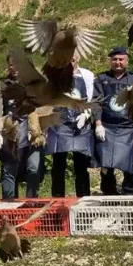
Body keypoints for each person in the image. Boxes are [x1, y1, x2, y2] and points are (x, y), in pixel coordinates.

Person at [93, 47, 133, 195]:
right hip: (107, 126)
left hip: (128, 127)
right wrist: (98, 124)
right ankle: (109, 193)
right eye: (114, 59)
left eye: (121, 59)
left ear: (127, 61)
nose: (118, 62)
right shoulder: (101, 79)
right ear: (110, 61)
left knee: (129, 163)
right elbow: (96, 103)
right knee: (106, 163)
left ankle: (130, 192)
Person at [0, 55, 43, 199]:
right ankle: (9, 204)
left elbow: (42, 106)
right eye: (11, 65)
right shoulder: (3, 84)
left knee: (33, 167)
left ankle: (32, 202)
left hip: (31, 130)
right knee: (9, 168)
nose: (14, 68)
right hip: (10, 129)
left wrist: (36, 128)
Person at [47, 53, 94, 198]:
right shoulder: (54, 76)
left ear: (77, 58)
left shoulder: (87, 75)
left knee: (81, 165)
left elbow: (93, 97)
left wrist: (86, 113)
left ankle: (83, 197)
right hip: (60, 124)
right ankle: (57, 198)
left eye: (72, 58)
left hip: (80, 124)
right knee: (58, 165)